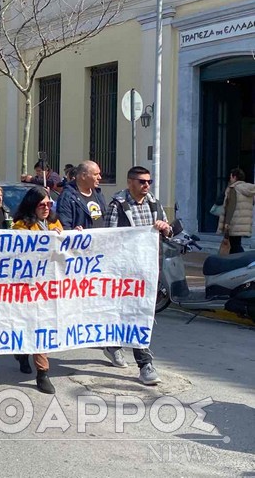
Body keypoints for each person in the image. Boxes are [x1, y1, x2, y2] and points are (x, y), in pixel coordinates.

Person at [104, 165, 171, 385]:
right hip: (124, 271)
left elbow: (168, 231)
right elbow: (109, 238)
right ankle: (145, 364)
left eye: (148, 182)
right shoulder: (118, 206)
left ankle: (113, 344)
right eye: (142, 182)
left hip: (148, 270)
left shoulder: (154, 204)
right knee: (130, 312)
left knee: (140, 312)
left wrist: (164, 227)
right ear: (130, 182)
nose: (146, 186)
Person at [11, 187, 65, 394]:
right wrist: (46, 239)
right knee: (28, 324)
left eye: (49, 204)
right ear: (32, 205)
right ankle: (23, 354)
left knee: (42, 326)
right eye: (42, 204)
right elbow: (20, 251)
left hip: (49, 286)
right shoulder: (21, 226)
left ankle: (42, 373)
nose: (46, 207)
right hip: (27, 286)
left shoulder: (54, 222)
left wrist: (68, 236)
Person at [56, 160, 106, 230]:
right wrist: (74, 232)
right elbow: (64, 226)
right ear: (83, 176)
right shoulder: (67, 196)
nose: (99, 177)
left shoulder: (98, 194)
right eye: (95, 174)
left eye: (99, 174)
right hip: (83, 240)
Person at [218, 168, 255, 254]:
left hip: (234, 222)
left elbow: (231, 206)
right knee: (235, 244)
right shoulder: (248, 188)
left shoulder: (233, 189)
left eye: (231, 177)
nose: (230, 179)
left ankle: (243, 262)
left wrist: (227, 223)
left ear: (235, 177)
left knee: (235, 245)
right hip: (243, 222)